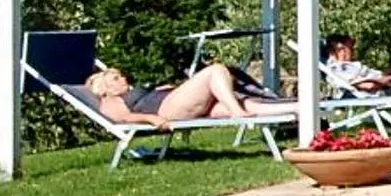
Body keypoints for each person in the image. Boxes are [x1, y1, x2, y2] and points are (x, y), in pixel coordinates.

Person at [85, 61, 270, 128]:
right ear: (105, 89)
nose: (123, 78)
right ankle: (238, 113)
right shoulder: (109, 101)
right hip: (166, 109)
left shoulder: (130, 93)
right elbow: (124, 118)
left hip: (169, 102)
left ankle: (297, 110)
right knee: (215, 70)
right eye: (116, 79)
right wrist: (151, 119)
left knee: (249, 105)